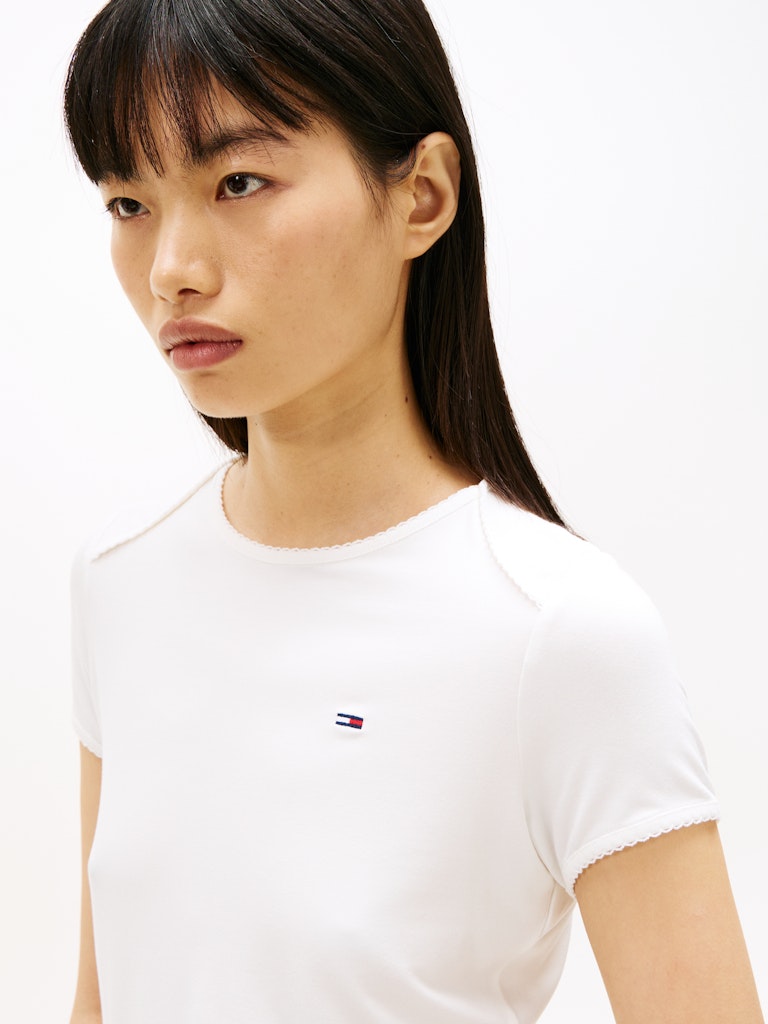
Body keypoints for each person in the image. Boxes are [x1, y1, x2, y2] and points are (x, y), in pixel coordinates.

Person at [63, 1, 763, 1022]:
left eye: (239, 182)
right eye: (129, 202)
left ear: (422, 196)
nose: (172, 269)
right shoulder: (118, 582)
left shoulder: (561, 633)